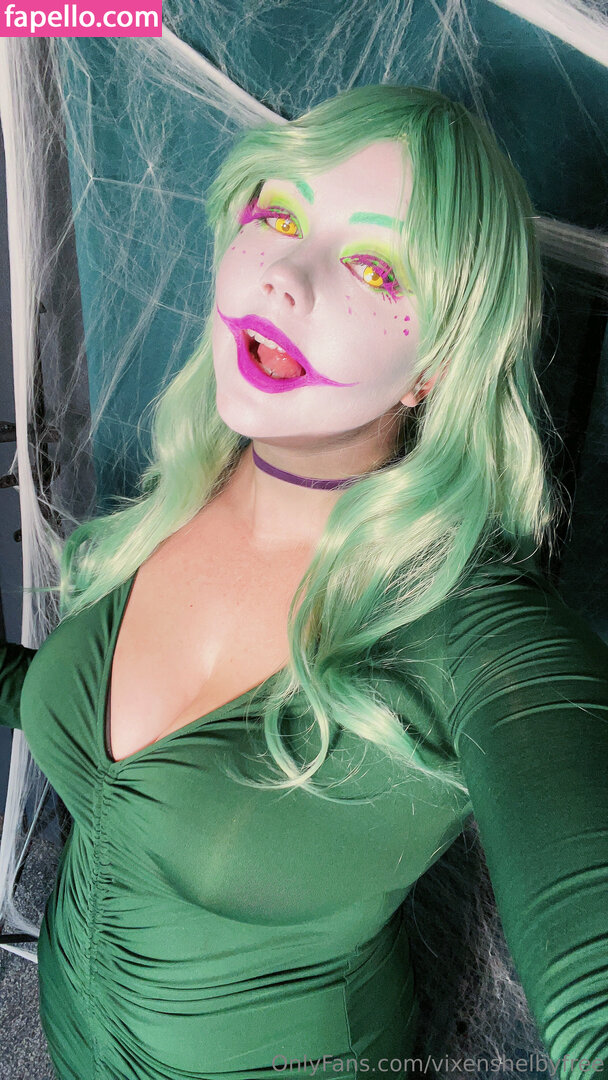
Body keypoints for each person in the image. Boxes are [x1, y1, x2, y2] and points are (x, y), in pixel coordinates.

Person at [1, 84, 607, 1080]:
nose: (283, 273)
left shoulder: (472, 630)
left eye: (374, 266)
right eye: (279, 214)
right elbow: (97, 733)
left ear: (436, 365)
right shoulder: (186, 488)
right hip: (65, 1030)